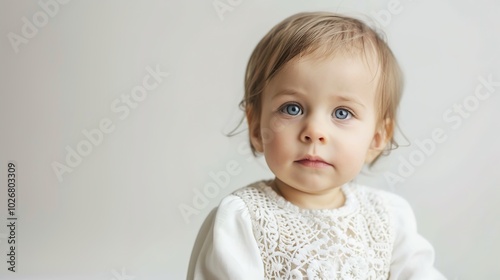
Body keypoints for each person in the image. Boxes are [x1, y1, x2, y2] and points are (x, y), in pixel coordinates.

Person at [188, 11, 446, 279]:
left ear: (377, 138)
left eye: (342, 113)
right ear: (255, 127)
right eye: (292, 108)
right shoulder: (243, 220)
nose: (314, 132)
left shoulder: (389, 218)